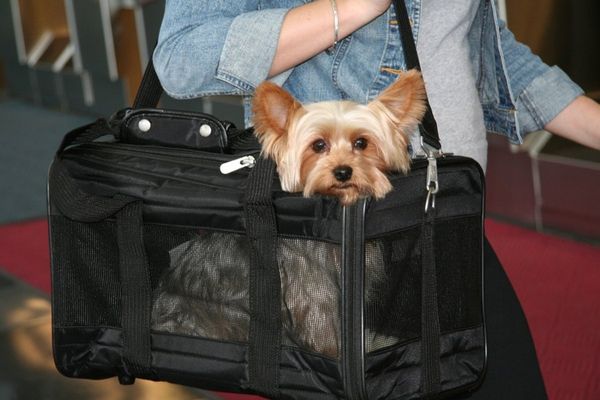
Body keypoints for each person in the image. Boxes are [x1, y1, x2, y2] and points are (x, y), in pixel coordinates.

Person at [152, 0, 600, 398]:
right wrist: (350, 9)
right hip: (332, 245)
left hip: (452, 213)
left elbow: (492, 54)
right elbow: (182, 54)